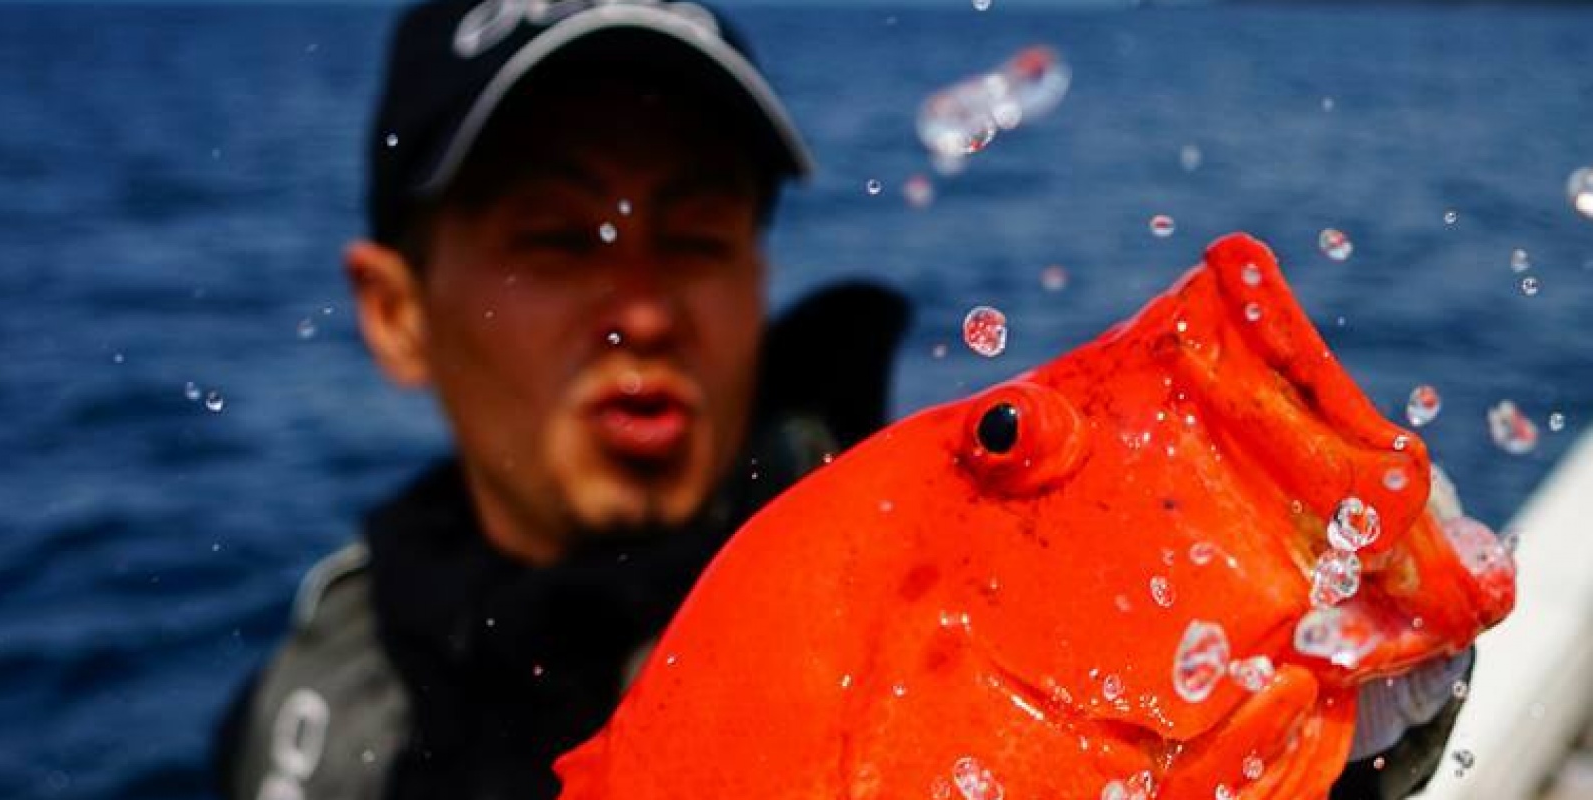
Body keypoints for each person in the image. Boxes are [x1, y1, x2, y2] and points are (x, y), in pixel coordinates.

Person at [212, 1, 1466, 798]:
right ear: (395, 309)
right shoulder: (309, 703)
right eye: (556, 238)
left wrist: (1359, 747)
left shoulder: (880, 542)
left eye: (698, 233)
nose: (642, 304)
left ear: (761, 270)